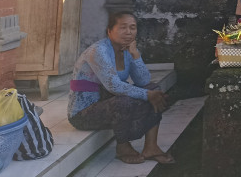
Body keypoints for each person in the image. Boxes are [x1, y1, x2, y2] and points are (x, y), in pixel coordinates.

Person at [67, 12, 175, 164]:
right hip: (83, 114)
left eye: (133, 27)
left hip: (109, 104)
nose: (129, 32)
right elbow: (114, 86)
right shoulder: (98, 51)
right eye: (123, 27)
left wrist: (135, 54)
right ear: (109, 31)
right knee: (127, 100)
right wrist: (147, 94)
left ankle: (151, 146)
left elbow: (143, 81)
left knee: (154, 88)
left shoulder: (128, 50)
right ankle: (123, 146)